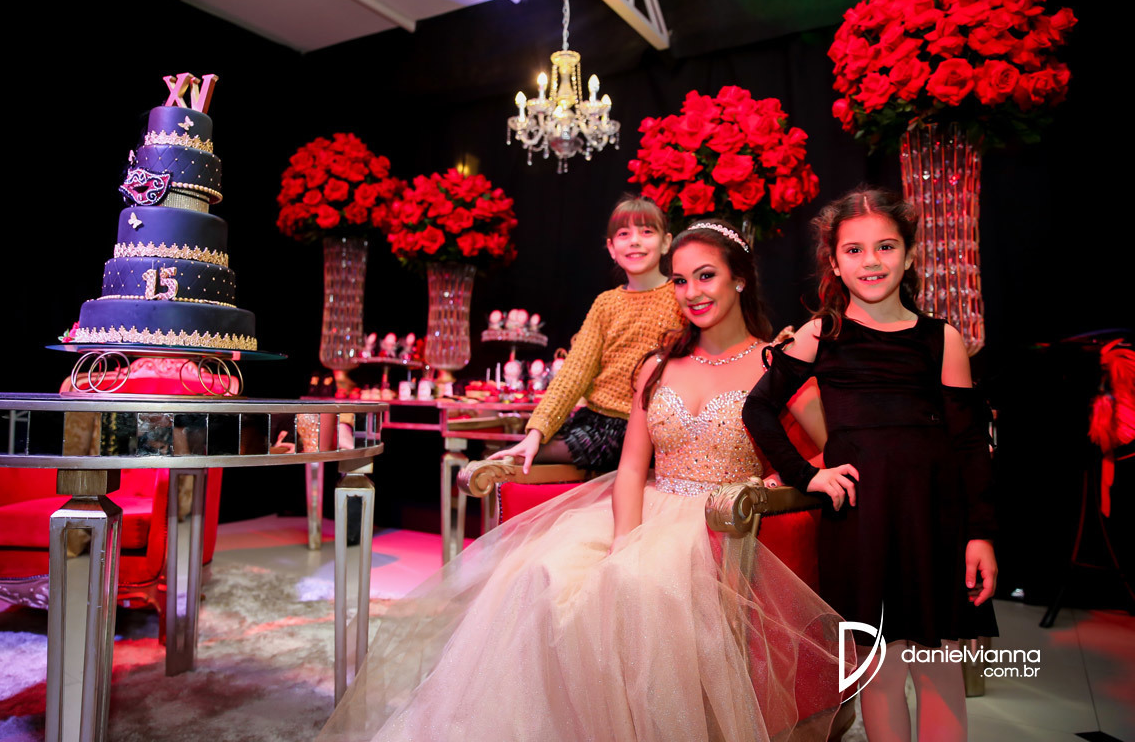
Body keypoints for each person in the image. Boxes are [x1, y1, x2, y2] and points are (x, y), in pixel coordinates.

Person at [319, 220, 848, 742]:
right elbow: (633, 467)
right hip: (647, 508)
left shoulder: (773, 364)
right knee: (542, 572)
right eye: (680, 280)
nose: (692, 292)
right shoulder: (658, 365)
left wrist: (779, 479)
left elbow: (830, 446)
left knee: (638, 588)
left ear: (740, 279)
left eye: (706, 276)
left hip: (721, 521)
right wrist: (625, 540)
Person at [742, 188, 998, 742]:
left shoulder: (942, 339)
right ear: (834, 263)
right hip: (859, 527)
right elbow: (757, 408)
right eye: (854, 250)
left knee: (939, 671)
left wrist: (980, 535)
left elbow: (970, 446)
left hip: (934, 525)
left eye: (885, 246)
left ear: (909, 254)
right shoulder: (822, 334)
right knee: (879, 676)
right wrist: (807, 475)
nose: (871, 261)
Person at [490, 196, 684, 474]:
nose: (634, 241)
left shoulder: (681, 296)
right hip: (599, 423)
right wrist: (536, 431)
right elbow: (575, 372)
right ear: (611, 248)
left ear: (666, 243)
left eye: (646, 231)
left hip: (652, 426)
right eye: (624, 234)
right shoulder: (605, 303)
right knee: (518, 457)